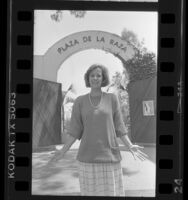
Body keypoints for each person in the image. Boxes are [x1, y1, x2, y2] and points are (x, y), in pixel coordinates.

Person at [48, 64, 148, 196]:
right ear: (88, 78)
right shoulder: (80, 101)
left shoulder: (112, 99)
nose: (95, 78)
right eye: (92, 75)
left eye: (98, 75)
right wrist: (63, 150)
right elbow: (75, 130)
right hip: (86, 159)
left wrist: (129, 145)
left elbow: (119, 126)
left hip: (110, 157)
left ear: (103, 78)